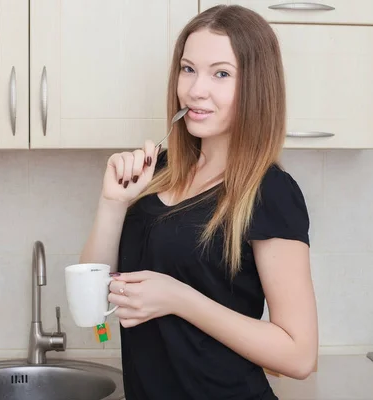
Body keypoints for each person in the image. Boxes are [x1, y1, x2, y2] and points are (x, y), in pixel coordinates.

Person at [80, 4, 318, 400]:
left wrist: (179, 299)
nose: (195, 90)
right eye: (188, 69)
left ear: (256, 86)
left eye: (221, 73)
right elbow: (91, 299)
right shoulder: (157, 171)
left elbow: (297, 357)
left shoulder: (271, 192)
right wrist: (112, 202)